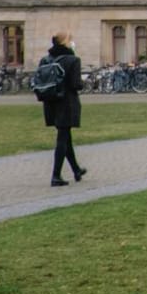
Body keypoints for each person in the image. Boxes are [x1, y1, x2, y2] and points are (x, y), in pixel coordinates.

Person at [38, 32, 86, 187]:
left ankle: (76, 169)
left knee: (65, 136)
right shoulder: (73, 60)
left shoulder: (45, 59)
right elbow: (75, 84)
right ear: (65, 43)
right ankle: (56, 175)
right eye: (70, 40)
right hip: (67, 103)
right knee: (62, 138)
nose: (72, 42)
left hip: (50, 101)